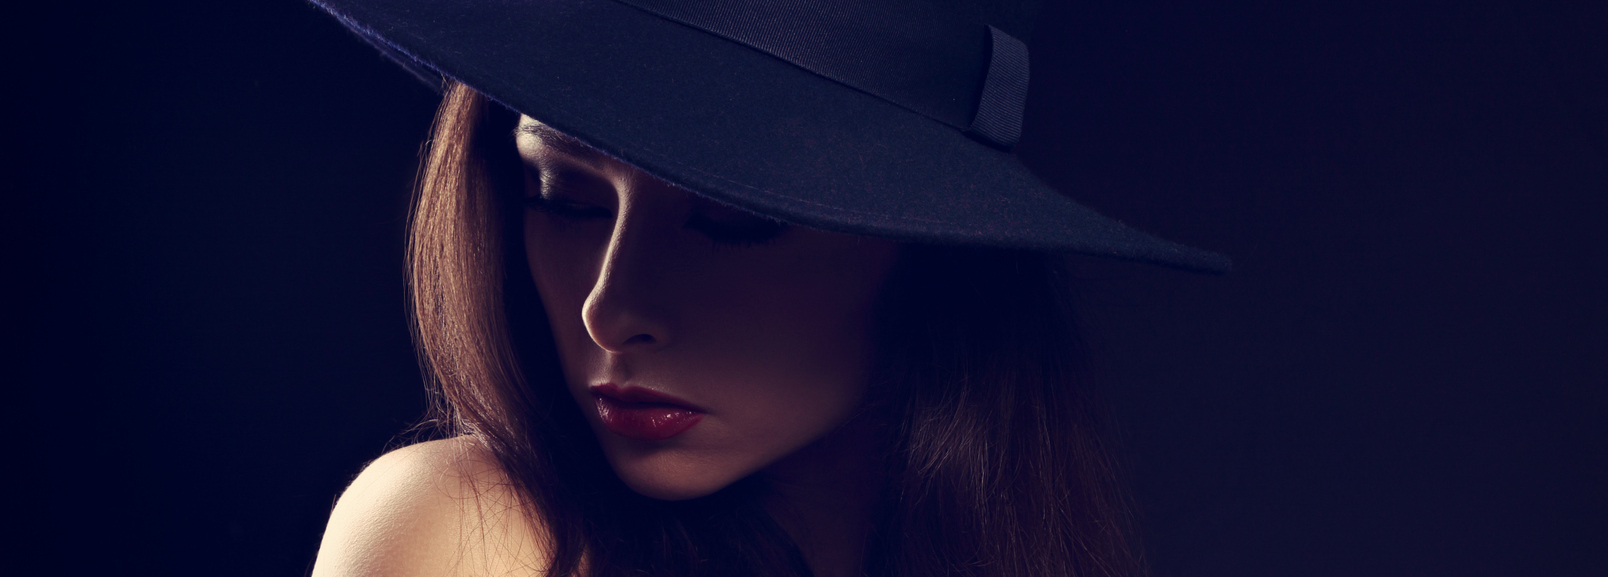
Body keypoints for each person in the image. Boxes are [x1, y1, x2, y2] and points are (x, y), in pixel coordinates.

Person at [306, 1, 1230, 576]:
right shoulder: (467, 541)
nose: (611, 306)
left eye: (731, 221)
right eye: (568, 198)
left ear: (928, 250)